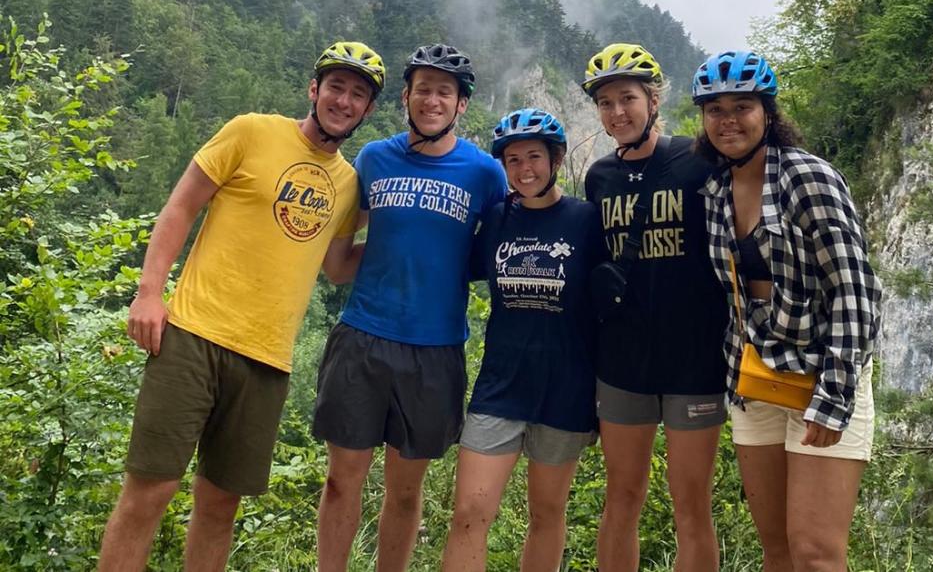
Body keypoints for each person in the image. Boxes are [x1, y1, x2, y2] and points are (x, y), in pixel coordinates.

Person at [97, 41, 385, 572]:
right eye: (337, 87)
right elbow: (181, 206)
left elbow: (338, 267)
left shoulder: (348, 183)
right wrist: (149, 294)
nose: (344, 101)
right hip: (192, 335)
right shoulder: (252, 130)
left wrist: (414, 241)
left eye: (358, 94)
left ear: (367, 110)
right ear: (314, 89)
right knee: (148, 495)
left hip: (267, 361)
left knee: (219, 508)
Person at [311, 43, 508, 572]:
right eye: (423, 88)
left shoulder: (486, 174)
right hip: (363, 337)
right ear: (407, 96)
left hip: (435, 348)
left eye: (445, 91)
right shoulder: (374, 158)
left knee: (403, 493)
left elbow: (497, 253)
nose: (432, 99)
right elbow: (337, 264)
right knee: (340, 481)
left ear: (462, 104)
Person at [692, 50, 882, 571]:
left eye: (742, 106)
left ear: (768, 113)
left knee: (816, 553)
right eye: (715, 110)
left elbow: (857, 290)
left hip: (821, 376)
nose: (728, 120)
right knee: (776, 548)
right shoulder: (714, 190)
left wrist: (835, 395)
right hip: (756, 381)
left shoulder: (807, 179)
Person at [581, 43, 729, 572]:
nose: (617, 112)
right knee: (621, 500)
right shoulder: (598, 178)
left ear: (654, 99)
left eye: (628, 98)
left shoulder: (698, 161)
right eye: (606, 103)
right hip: (622, 363)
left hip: (694, 360)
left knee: (693, 506)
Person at [440, 109, 606, 572]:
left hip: (566, 388)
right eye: (512, 160)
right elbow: (458, 267)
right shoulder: (496, 220)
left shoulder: (586, 221)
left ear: (555, 159)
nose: (524, 168)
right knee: (470, 513)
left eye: (534, 156)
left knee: (547, 513)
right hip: (501, 386)